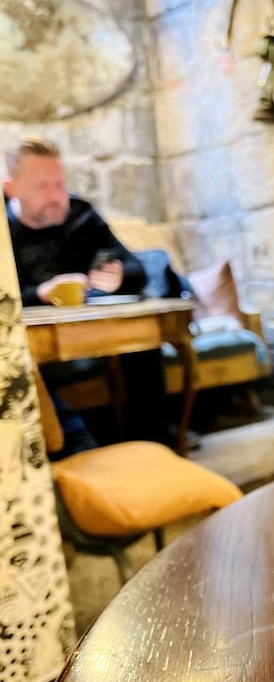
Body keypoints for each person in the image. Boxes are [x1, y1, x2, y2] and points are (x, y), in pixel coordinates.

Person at [3, 136, 169, 451]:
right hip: (29, 342)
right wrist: (39, 292)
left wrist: (118, 277)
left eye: (59, 184)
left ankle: (154, 448)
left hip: (88, 334)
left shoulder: (81, 215)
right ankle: (75, 451)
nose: (55, 196)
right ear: (11, 189)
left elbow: (136, 269)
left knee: (144, 346)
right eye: (42, 186)